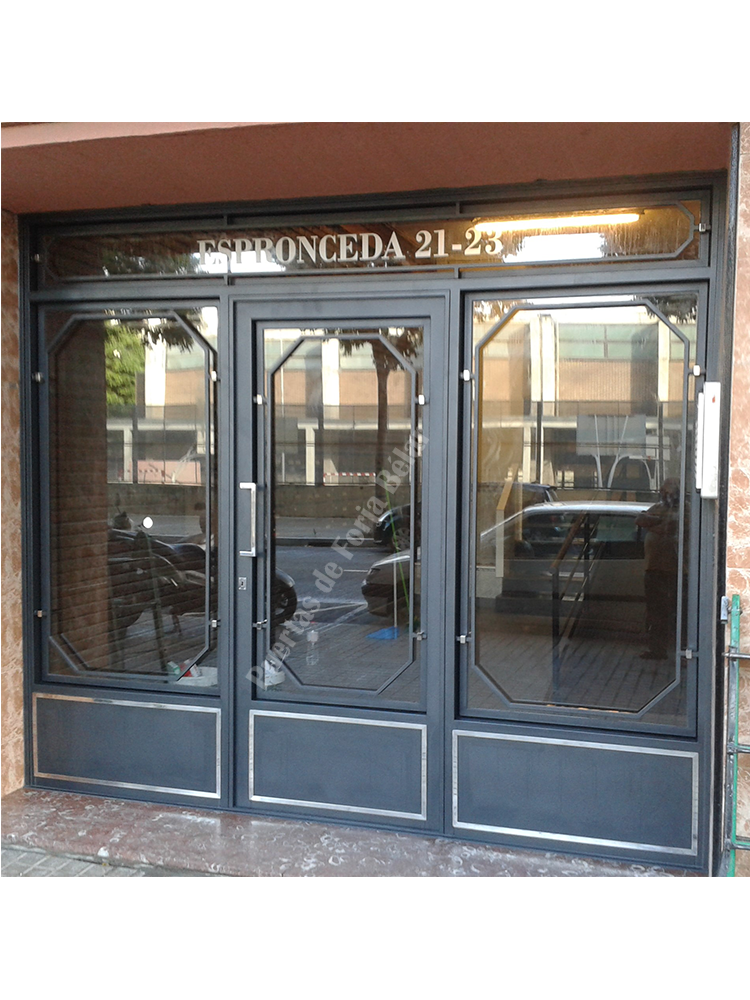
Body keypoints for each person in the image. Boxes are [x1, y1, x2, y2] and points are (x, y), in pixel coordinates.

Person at [635, 478, 680, 660]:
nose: (663, 494)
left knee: (677, 613)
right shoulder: (658, 508)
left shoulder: (685, 509)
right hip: (654, 569)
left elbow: (673, 528)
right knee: (655, 613)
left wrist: (654, 524)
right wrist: (659, 521)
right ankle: (657, 649)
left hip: (676, 571)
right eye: (662, 491)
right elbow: (640, 519)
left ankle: (683, 652)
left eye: (667, 491)